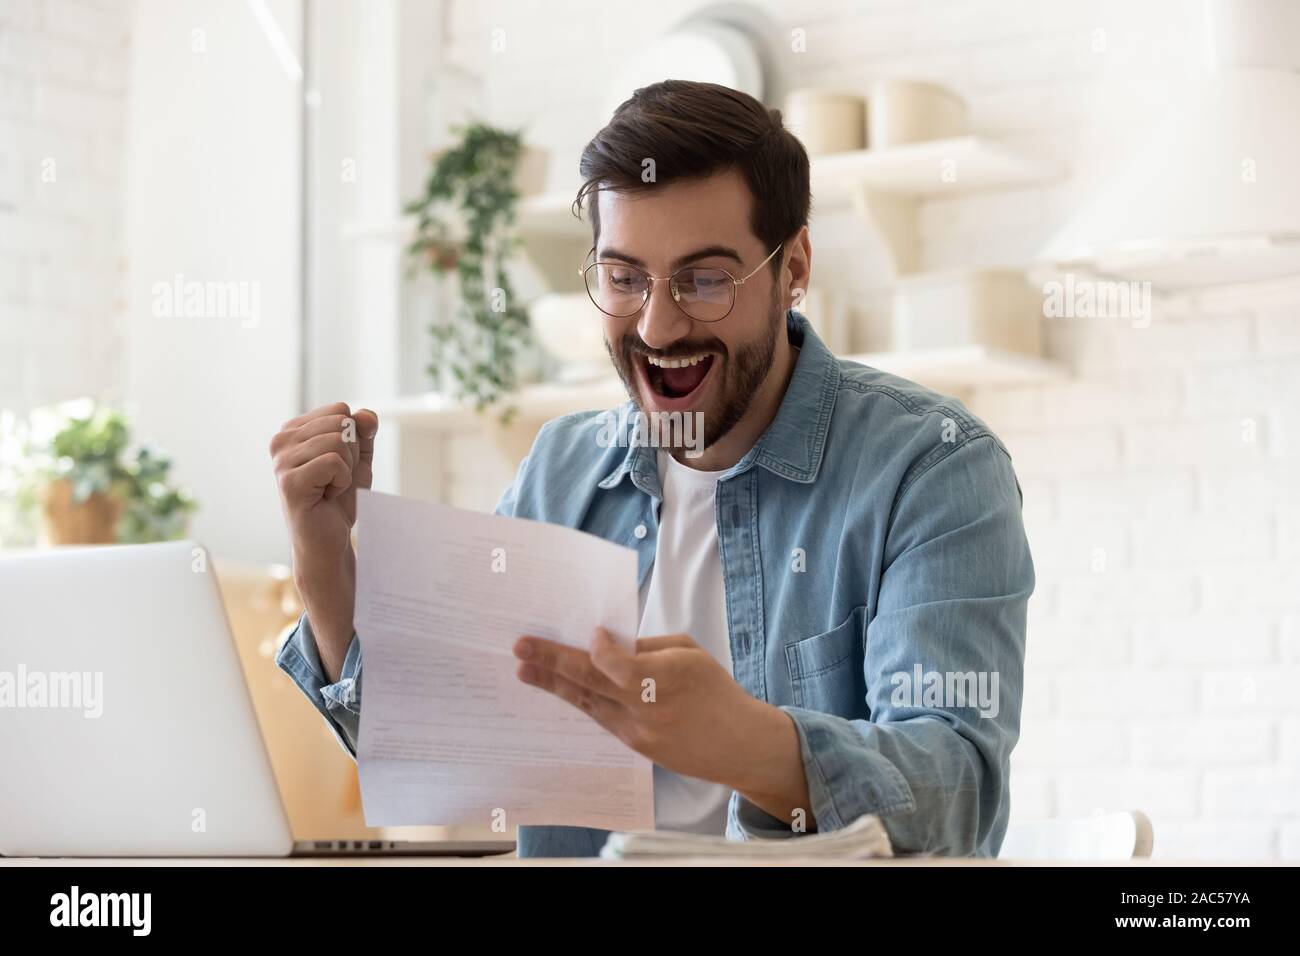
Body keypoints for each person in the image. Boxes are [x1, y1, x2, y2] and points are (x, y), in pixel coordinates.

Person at [270, 79, 1034, 858]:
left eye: (705, 280)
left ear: (793, 266)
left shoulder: (932, 467)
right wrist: (326, 568)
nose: (659, 325)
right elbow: (447, 752)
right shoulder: (562, 469)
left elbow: (956, 799)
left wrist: (748, 742)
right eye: (625, 278)